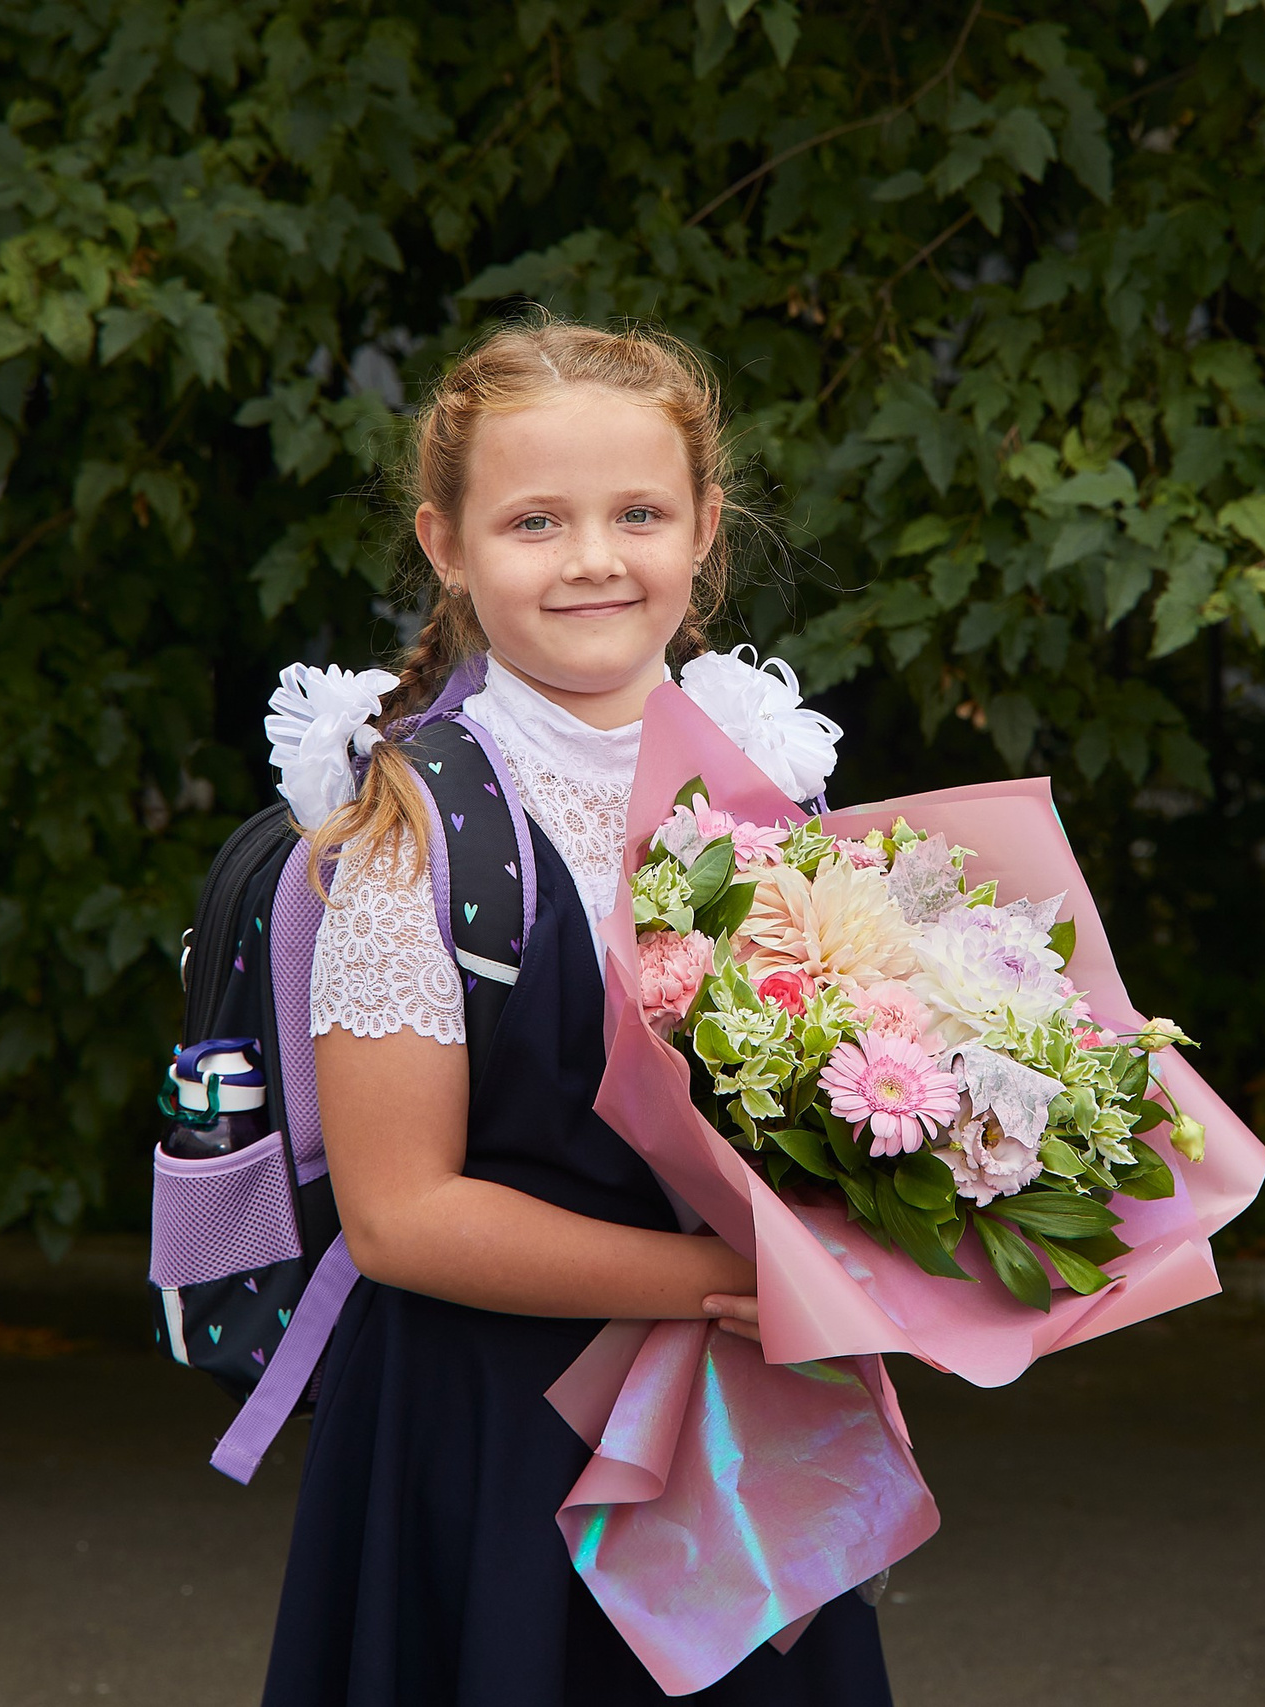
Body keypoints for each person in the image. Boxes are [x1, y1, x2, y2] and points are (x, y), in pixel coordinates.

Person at [260, 317, 890, 1706]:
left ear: (706, 527)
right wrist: (738, 1284)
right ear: (445, 541)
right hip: (495, 1443)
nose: (596, 558)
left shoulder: (773, 785)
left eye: (639, 513)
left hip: (744, 1434)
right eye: (536, 520)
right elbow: (400, 1213)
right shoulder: (419, 832)